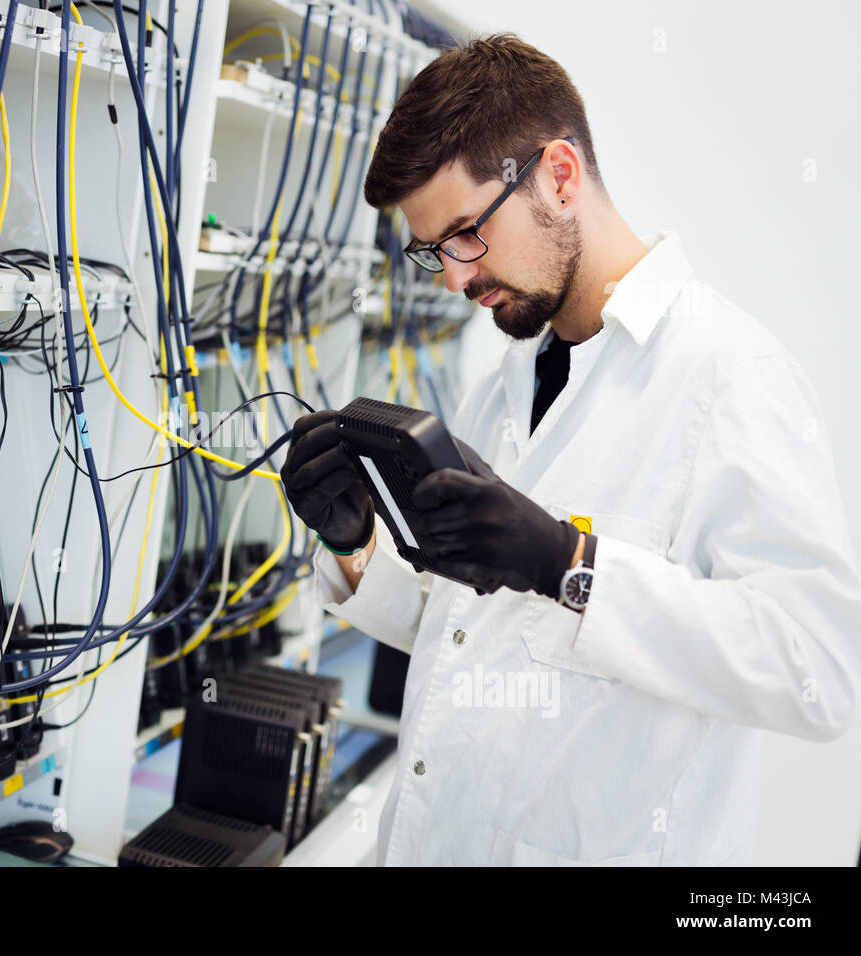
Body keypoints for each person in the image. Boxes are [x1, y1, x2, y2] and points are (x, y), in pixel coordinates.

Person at [281, 34, 861, 865]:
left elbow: (819, 672)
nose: (452, 278)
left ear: (559, 175)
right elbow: (467, 636)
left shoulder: (730, 375)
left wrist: (571, 563)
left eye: (464, 235)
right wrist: (355, 544)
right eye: (430, 252)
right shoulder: (509, 381)